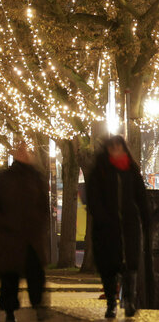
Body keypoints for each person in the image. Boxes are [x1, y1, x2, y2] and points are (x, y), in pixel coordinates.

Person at [86, 135, 151, 318]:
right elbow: (92, 198)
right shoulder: (100, 171)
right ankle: (111, 303)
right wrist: (102, 218)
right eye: (112, 147)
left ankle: (129, 300)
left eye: (119, 146)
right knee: (109, 267)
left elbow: (141, 196)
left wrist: (146, 219)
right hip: (107, 228)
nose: (116, 150)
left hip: (129, 226)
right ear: (107, 150)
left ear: (124, 149)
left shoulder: (131, 169)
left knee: (131, 265)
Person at [0, 143, 49, 321]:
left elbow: (44, 205)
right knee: (10, 277)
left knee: (35, 275)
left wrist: (37, 224)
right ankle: (10, 312)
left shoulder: (36, 178)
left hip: (30, 236)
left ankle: (38, 306)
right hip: (10, 236)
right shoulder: (6, 178)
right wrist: (4, 223)